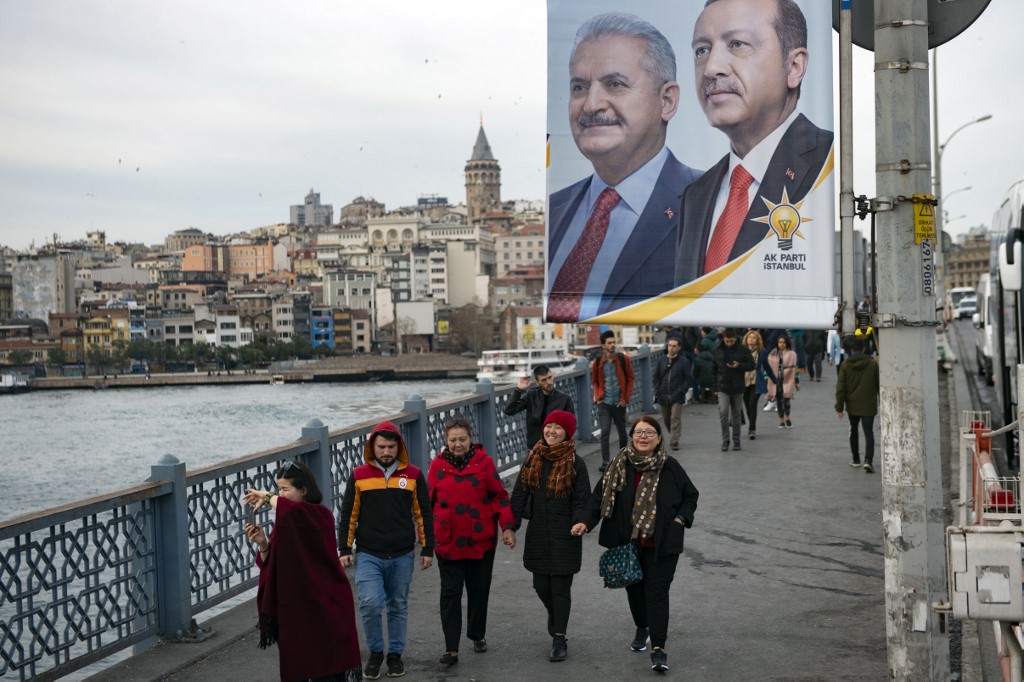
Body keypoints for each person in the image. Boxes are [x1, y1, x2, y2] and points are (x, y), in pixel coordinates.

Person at [547, 11, 701, 321]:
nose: (591, 104)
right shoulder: (553, 210)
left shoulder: (712, 205)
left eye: (614, 84)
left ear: (667, 101)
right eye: (579, 87)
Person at [675, 0, 834, 285]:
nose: (711, 67)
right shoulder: (695, 196)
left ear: (794, 66)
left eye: (737, 44)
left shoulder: (833, 163)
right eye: (702, 50)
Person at [571, 416, 699, 674]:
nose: (643, 437)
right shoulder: (619, 464)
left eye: (649, 432)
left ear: (658, 438)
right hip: (627, 543)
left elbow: (690, 496)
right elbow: (599, 498)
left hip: (663, 543)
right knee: (635, 591)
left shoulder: (670, 466)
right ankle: (643, 627)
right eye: (638, 432)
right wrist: (585, 521)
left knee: (657, 592)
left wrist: (679, 519)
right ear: (631, 436)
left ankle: (659, 649)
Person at [243, 461, 362, 682]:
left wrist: (269, 497)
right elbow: (271, 564)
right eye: (279, 489)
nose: (282, 494)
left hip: (325, 606)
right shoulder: (286, 520)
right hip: (295, 610)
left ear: (304, 489)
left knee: (327, 670)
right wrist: (262, 545)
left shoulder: (319, 515)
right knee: (298, 666)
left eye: (286, 489)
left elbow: (298, 514)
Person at [337, 421, 434, 680]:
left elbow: (423, 513)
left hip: (403, 554)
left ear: (399, 446)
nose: (386, 451)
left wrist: (428, 548)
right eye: (381, 446)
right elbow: (349, 514)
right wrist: (345, 547)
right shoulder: (359, 475)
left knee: (397, 605)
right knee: (370, 603)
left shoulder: (413, 474)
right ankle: (376, 652)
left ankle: (395, 655)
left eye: (391, 446)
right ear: (372, 446)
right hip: (368, 553)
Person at [427, 416, 517, 666]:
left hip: (481, 541)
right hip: (448, 542)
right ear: (445, 441)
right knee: (450, 594)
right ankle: (451, 648)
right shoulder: (437, 467)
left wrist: (507, 527)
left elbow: (499, 497)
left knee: (479, 592)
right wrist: (424, 539)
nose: (458, 444)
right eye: (453, 439)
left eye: (462, 439)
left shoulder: (484, 462)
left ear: (471, 439)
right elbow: (426, 503)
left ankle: (477, 635)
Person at [509, 410, 591, 663]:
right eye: (548, 426)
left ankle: (559, 638)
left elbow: (582, 499)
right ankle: (556, 615)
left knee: (560, 588)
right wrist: (510, 527)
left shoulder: (576, 462)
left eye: (557, 427)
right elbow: (519, 495)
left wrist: (581, 522)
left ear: (567, 432)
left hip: (566, 534)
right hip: (538, 533)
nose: (551, 431)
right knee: (541, 585)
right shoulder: (533, 459)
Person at [504, 364, 576, 451]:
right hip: (534, 448)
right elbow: (509, 410)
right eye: (544, 380)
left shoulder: (565, 399)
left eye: (550, 377)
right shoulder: (531, 396)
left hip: (556, 448)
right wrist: (518, 390)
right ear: (537, 382)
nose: (549, 382)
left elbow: (571, 425)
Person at [835, 336, 880, 473]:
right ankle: (868, 461)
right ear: (864, 348)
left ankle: (855, 459)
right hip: (869, 404)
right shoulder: (872, 364)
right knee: (869, 432)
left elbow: (841, 387)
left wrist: (839, 407)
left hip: (852, 405)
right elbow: (879, 385)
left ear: (850, 349)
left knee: (853, 430)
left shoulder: (845, 365)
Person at [592, 330, 636, 471]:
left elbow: (630, 379)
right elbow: (595, 381)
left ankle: (622, 460)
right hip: (604, 402)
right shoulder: (598, 362)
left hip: (619, 402)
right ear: (603, 345)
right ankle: (606, 462)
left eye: (613, 342)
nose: (612, 345)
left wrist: (625, 399)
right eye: (609, 343)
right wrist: (598, 396)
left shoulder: (624, 359)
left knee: (622, 431)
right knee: (605, 431)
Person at [711, 328, 755, 451]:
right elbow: (713, 370)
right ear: (723, 339)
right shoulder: (718, 350)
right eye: (727, 341)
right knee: (723, 413)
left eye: (731, 341)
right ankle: (725, 440)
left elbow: (752, 365)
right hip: (722, 386)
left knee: (736, 415)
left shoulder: (743, 349)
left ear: (735, 338)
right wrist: (714, 387)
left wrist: (739, 366)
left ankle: (736, 441)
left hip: (738, 387)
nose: (729, 343)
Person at [652, 335, 691, 450]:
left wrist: (682, 391)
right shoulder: (661, 360)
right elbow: (656, 377)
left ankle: (674, 441)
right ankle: (674, 433)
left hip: (677, 394)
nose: (671, 348)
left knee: (675, 417)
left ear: (679, 348)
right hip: (663, 394)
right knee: (666, 418)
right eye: (669, 345)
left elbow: (688, 378)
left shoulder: (684, 362)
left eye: (674, 346)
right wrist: (658, 390)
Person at [765, 333, 799, 429]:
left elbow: (794, 369)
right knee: (779, 401)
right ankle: (781, 421)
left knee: (787, 401)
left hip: (788, 380)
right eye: (780, 342)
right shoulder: (772, 354)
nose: (782, 344)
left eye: (784, 342)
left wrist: (797, 382)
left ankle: (787, 418)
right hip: (776, 381)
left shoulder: (792, 354)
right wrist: (766, 379)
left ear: (787, 343)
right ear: (777, 343)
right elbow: (767, 368)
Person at [742, 329, 767, 440]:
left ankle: (752, 429)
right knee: (747, 405)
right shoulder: (741, 351)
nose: (751, 339)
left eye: (754, 338)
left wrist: (774, 380)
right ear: (746, 339)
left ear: (757, 341)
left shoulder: (762, 351)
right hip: (743, 381)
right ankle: (751, 423)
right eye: (750, 337)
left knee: (752, 404)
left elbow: (766, 366)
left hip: (756, 381)